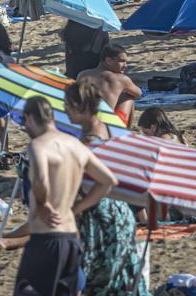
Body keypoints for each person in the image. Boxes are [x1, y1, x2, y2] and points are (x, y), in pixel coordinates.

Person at [4, 97, 116, 296]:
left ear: (29, 118)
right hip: (71, 237)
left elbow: (40, 181)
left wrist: (44, 203)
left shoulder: (38, 145)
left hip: (46, 239)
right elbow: (108, 181)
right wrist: (77, 208)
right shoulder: (75, 145)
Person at [64, 80, 149, 296]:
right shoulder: (107, 130)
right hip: (117, 211)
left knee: (102, 281)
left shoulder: (87, 143)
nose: (65, 110)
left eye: (68, 105)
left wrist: (76, 208)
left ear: (82, 106)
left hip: (99, 217)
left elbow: (105, 182)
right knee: (119, 279)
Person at [79, 44, 141, 127]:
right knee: (128, 97)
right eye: (122, 61)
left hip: (83, 121)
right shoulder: (120, 79)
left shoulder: (82, 74)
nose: (125, 66)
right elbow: (138, 93)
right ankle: (125, 132)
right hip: (106, 126)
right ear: (108, 61)